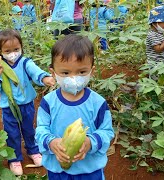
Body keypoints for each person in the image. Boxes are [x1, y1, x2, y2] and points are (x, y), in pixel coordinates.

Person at [35, 34, 114, 179]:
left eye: (82, 72)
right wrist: (51, 142)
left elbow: (107, 132)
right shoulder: (48, 102)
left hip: (89, 171)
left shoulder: (98, 103)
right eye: (65, 72)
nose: (73, 78)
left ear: (92, 70)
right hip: (57, 171)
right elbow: (41, 130)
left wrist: (90, 142)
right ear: (53, 73)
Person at [0, 29, 55, 176]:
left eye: (16, 49)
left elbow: (36, 72)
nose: (13, 53)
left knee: (29, 129)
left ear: (21, 47)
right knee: (12, 133)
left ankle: (33, 151)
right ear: (0, 51)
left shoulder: (25, 63)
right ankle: (14, 159)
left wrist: (46, 79)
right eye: (8, 50)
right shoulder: (0, 67)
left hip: (27, 105)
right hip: (8, 108)